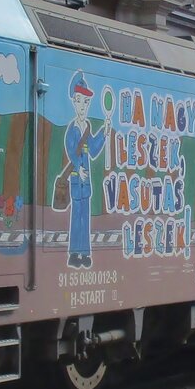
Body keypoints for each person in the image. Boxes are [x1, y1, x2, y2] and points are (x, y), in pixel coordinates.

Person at [63, 72, 108, 269]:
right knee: (76, 219)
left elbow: (94, 150)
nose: (83, 106)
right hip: (76, 180)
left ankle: (85, 254)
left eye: (86, 102)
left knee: (85, 219)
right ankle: (74, 254)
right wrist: (78, 168)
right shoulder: (72, 129)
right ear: (74, 102)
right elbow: (70, 150)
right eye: (80, 101)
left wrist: (104, 132)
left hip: (86, 183)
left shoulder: (87, 126)